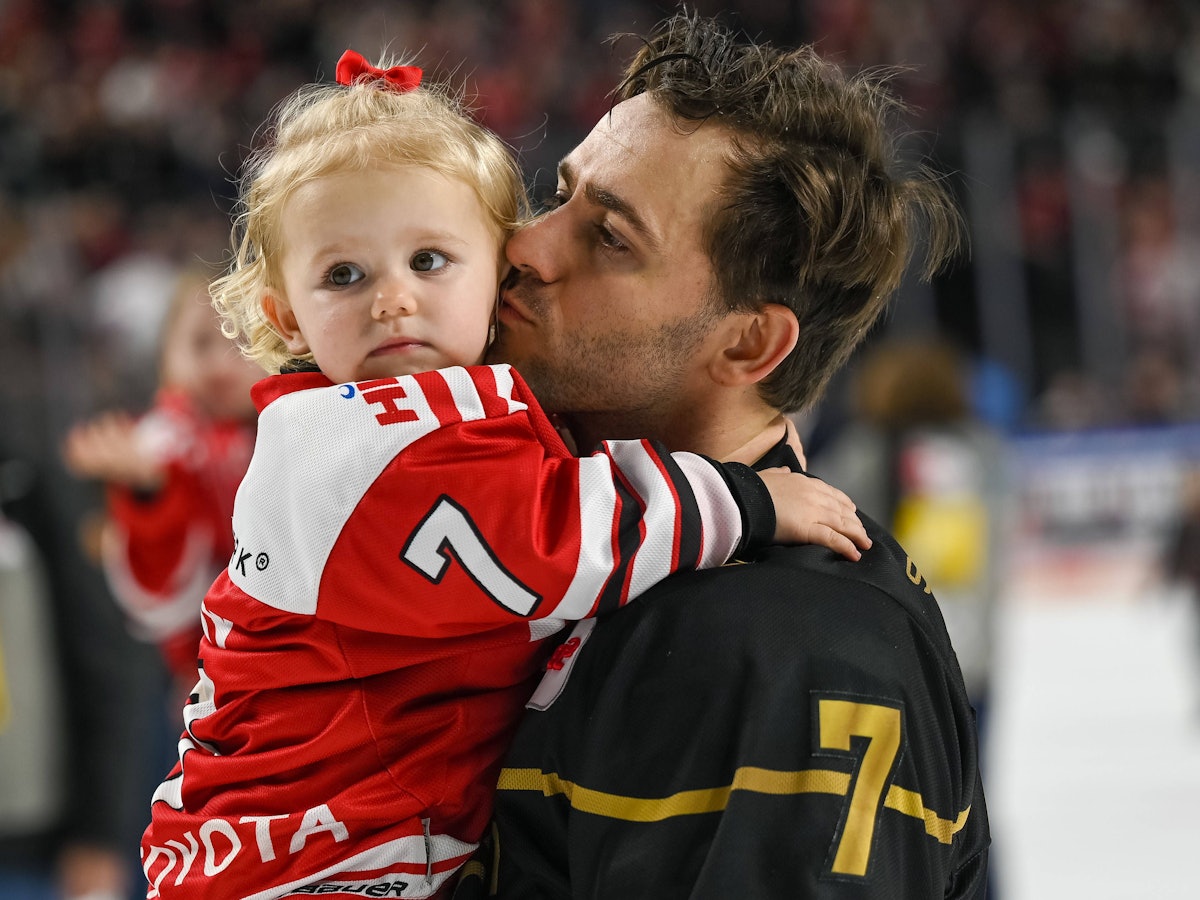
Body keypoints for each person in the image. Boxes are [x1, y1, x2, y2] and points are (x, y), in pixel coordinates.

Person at [139, 49, 870, 899]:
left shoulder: (466, 414)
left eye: (430, 261)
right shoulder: (344, 449)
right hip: (301, 866)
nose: (392, 300)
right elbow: (541, 537)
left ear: (497, 267)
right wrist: (744, 497)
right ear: (283, 314)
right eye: (344, 275)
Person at [481, 11, 990, 898]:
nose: (525, 245)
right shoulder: (569, 534)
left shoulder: (786, 647)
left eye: (610, 238)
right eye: (559, 193)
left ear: (751, 346)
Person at [63, 268, 260, 698]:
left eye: (243, 340)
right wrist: (149, 491)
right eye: (201, 342)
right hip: (205, 680)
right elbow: (160, 599)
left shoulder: (298, 424)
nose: (220, 362)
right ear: (164, 354)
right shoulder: (165, 441)